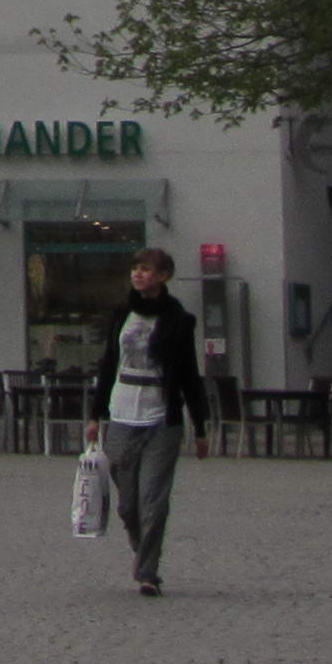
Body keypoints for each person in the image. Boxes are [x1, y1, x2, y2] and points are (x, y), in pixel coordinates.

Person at [83, 247, 209, 598]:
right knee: (128, 505)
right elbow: (108, 365)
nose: (138, 274)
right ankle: (143, 550)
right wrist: (95, 415)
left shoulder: (179, 320)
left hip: (161, 420)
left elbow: (189, 375)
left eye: (146, 269)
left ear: (163, 276)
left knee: (153, 498)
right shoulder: (122, 314)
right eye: (135, 268)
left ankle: (148, 573)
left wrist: (200, 427)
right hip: (122, 415)